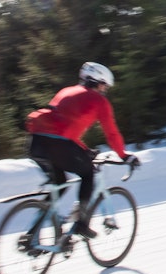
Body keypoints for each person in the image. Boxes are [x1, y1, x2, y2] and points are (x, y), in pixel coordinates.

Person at [25, 62, 139, 239]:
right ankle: (82, 224)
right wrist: (124, 156)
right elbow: (111, 133)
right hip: (59, 144)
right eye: (105, 86)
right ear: (98, 82)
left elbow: (62, 128)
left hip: (36, 142)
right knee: (88, 174)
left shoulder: (66, 91)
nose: (104, 90)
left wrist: (84, 150)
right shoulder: (99, 101)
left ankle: (31, 235)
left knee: (59, 184)